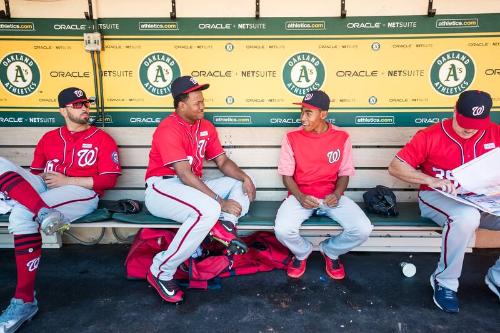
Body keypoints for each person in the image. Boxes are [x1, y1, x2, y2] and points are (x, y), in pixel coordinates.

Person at [0, 87, 121, 332]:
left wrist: (68, 180)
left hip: (81, 194)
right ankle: (41, 212)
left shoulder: (102, 138)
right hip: (46, 192)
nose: (85, 108)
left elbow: (107, 181)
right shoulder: (49, 138)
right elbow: (34, 176)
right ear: (62, 110)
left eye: (86, 103)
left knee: (23, 213)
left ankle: (23, 300)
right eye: (77, 105)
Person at [144, 75, 256, 303]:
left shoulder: (205, 126)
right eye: (197, 102)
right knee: (208, 208)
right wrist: (220, 201)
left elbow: (223, 162)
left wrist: (245, 177)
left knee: (237, 184)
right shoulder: (168, 128)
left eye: (203, 101)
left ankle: (226, 224)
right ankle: (161, 271)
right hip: (163, 187)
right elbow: (184, 174)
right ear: (181, 105)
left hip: (189, 187)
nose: (202, 106)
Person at [388, 90, 500, 313]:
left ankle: (497, 277)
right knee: (466, 217)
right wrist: (431, 179)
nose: (469, 129)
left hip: (483, 199)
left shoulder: (495, 133)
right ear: (454, 111)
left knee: (472, 213)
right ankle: (445, 282)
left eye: (475, 124)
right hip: (438, 196)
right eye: (464, 122)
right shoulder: (430, 135)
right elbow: (396, 167)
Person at [274, 90, 373, 280]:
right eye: (301, 111)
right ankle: (302, 252)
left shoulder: (341, 136)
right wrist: (301, 197)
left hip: (330, 196)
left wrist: (337, 193)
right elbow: (287, 176)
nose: (302, 118)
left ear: (323, 114)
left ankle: (331, 251)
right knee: (282, 229)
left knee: (363, 228)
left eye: (308, 113)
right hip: (300, 195)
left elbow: (344, 173)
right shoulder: (291, 137)